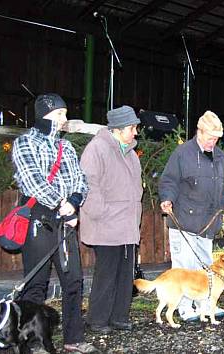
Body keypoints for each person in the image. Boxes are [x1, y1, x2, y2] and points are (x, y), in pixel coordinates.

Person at [12, 93, 97, 353]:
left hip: (65, 219)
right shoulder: (24, 143)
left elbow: (80, 180)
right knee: (36, 284)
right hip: (38, 218)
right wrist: (62, 204)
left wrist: (73, 201)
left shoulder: (66, 146)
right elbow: (32, 181)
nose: (65, 118)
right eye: (61, 113)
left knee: (73, 281)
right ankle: (33, 342)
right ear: (47, 114)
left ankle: (73, 339)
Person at [158, 111, 224, 321]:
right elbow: (169, 180)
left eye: (216, 138)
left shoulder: (221, 158)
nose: (213, 142)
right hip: (184, 218)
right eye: (210, 137)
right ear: (199, 131)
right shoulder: (182, 153)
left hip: (208, 222)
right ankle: (184, 308)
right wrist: (167, 199)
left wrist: (222, 206)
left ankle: (206, 305)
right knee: (184, 267)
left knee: (207, 267)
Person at [79, 105, 143, 333]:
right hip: (105, 226)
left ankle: (119, 316)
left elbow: (136, 190)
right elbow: (88, 185)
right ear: (118, 129)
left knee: (125, 275)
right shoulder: (97, 148)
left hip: (126, 226)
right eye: (132, 128)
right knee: (106, 275)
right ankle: (97, 320)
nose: (136, 132)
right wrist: (102, 213)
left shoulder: (131, 154)